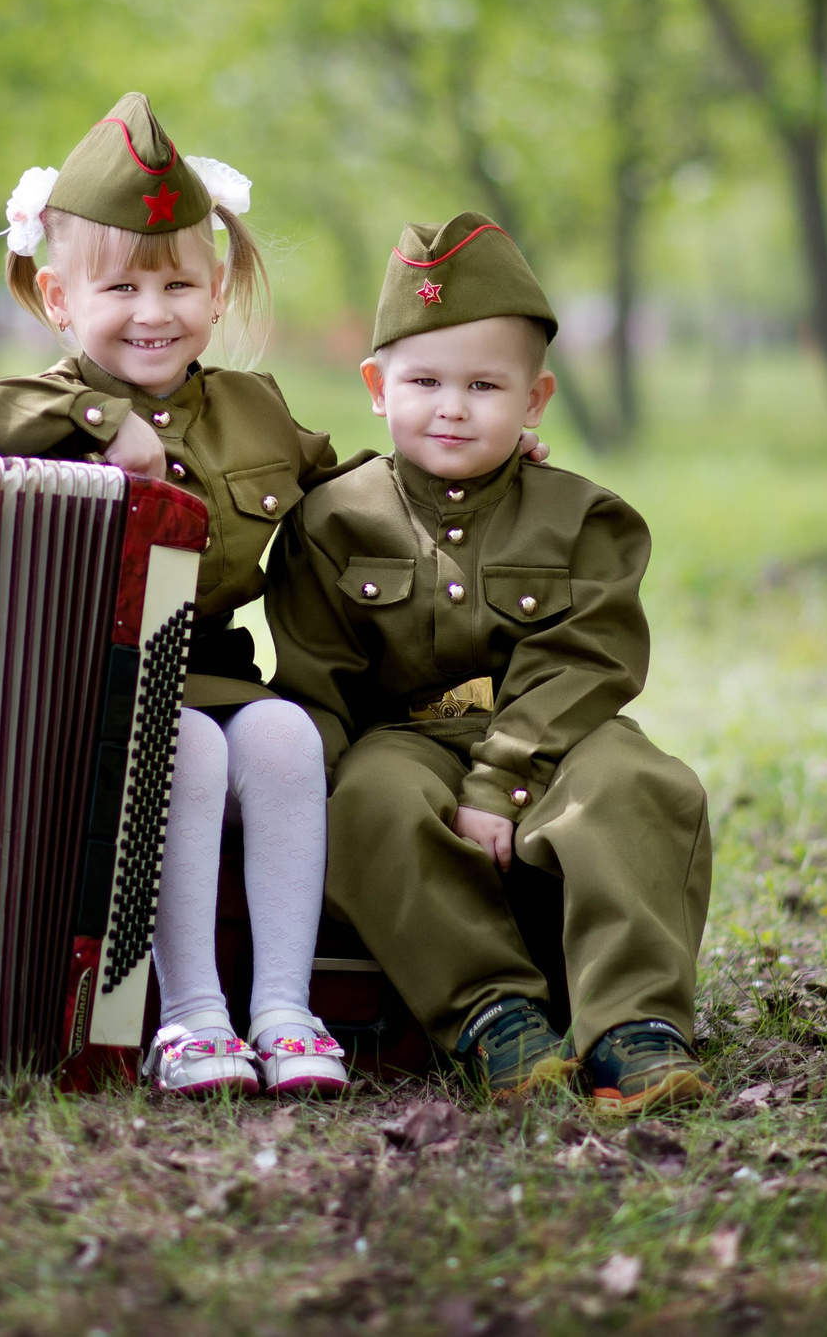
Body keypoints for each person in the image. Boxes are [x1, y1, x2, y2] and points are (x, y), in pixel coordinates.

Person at [0, 92, 358, 1098]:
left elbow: (349, 488)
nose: (153, 312)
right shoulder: (39, 407)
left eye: (178, 283)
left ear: (218, 287)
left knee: (283, 734)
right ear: (60, 298)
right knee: (188, 745)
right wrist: (95, 414)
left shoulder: (254, 409)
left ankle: (285, 1011)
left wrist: (478, 466)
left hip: (212, 670)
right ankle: (193, 1015)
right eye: (120, 286)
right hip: (91, 695)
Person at [265, 211, 714, 1116]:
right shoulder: (331, 520)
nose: (452, 405)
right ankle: (494, 1015)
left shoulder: (583, 518)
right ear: (376, 385)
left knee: (637, 781)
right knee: (366, 799)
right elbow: (317, 681)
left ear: (535, 399)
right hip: (404, 739)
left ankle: (634, 1026)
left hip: (555, 735)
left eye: (485, 384)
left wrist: (502, 778)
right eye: (424, 379)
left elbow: (586, 658)